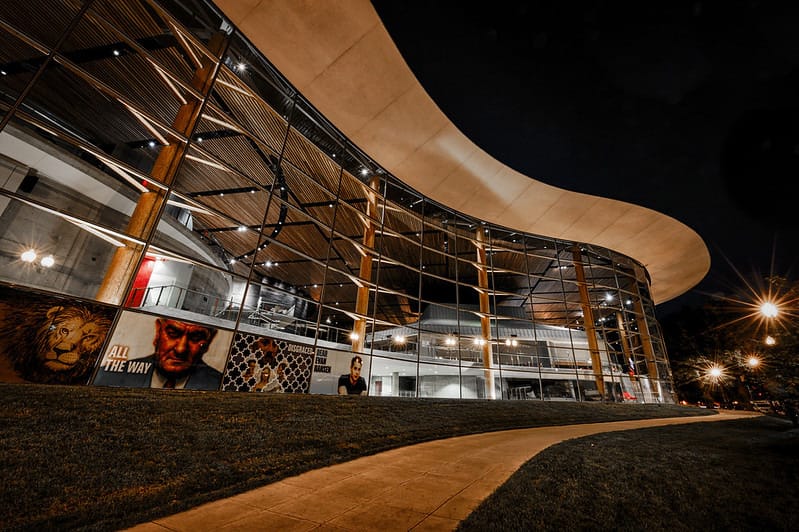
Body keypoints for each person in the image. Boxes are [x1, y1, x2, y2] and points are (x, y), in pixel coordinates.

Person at [93, 318, 222, 390]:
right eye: (173, 334)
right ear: (158, 331)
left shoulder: (219, 384)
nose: (181, 349)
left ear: (209, 341)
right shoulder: (106, 376)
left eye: (196, 337)